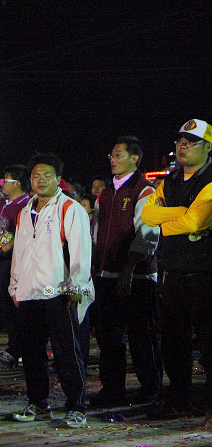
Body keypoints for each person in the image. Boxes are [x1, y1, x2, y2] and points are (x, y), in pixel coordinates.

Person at [10, 154, 94, 429]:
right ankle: (38, 402)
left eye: (47, 175)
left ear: (58, 179)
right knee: (32, 353)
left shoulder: (69, 208)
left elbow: (81, 249)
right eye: (36, 175)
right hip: (29, 292)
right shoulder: (25, 211)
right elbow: (19, 253)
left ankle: (76, 406)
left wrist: (77, 286)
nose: (41, 180)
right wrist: (15, 286)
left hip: (59, 292)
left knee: (66, 352)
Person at [141, 119, 212, 421]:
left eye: (191, 141)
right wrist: (182, 214)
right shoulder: (167, 180)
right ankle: (179, 399)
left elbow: (195, 222)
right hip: (171, 275)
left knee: (209, 344)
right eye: (180, 140)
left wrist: (169, 221)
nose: (182, 146)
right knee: (173, 344)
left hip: (205, 276)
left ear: (208, 147)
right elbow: (146, 213)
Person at [90, 136, 162, 408]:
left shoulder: (144, 190)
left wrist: (129, 269)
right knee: (109, 337)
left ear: (135, 158)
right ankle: (112, 389)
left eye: (118, 154)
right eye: (111, 154)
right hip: (107, 276)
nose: (112, 159)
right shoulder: (105, 193)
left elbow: (148, 234)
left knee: (142, 335)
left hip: (138, 277)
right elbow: (97, 235)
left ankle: (151, 387)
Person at [0, 167, 31, 369]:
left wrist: (5, 246)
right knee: (1, 305)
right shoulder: (2, 203)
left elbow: (23, 233)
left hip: (14, 262)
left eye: (6, 180)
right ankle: (15, 346)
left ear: (18, 183)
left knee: (15, 306)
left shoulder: (26, 203)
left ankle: (19, 349)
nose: (2, 183)